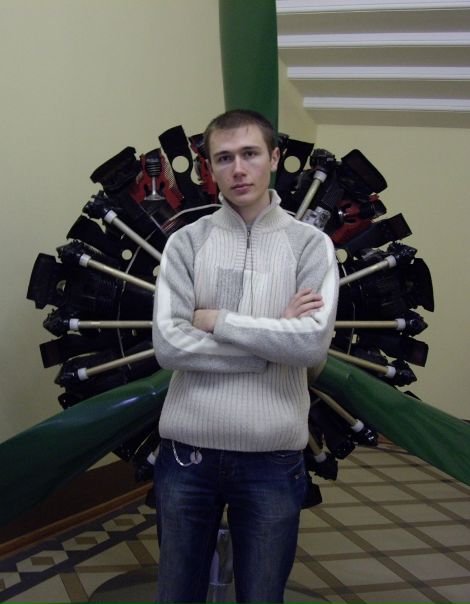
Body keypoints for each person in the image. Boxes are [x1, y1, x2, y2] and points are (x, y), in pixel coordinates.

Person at [152, 109, 338, 604]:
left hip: (272, 460)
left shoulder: (311, 247)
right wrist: (273, 340)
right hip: (186, 456)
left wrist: (216, 320)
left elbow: (310, 344)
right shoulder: (185, 244)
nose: (238, 169)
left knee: (262, 596)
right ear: (209, 168)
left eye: (250, 154)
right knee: (175, 595)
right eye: (224, 158)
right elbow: (169, 345)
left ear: (274, 159)